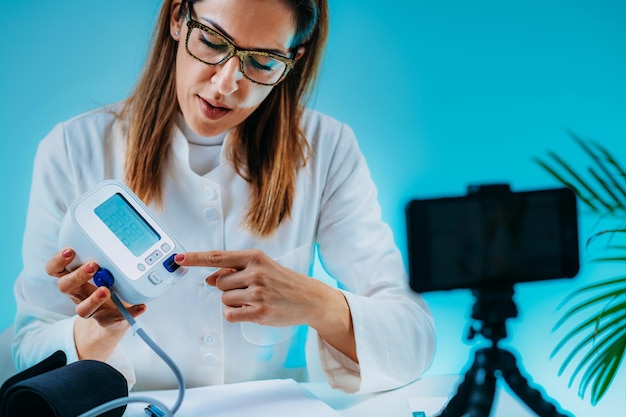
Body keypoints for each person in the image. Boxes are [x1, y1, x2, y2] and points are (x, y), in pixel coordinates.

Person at [12, 0, 435, 394]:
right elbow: (25, 353)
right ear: (178, 18)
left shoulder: (328, 148)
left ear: (294, 60)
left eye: (264, 61)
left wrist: (316, 303)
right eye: (213, 41)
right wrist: (99, 329)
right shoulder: (73, 148)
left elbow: (414, 338)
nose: (226, 83)